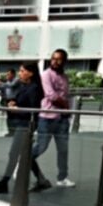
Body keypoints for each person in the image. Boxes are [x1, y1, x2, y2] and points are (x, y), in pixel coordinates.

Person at [0, 63, 44, 195]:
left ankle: (5, 181)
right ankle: (41, 179)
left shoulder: (34, 89)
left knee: (14, 153)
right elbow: (22, 102)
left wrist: (17, 110)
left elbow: (34, 111)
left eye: (22, 71)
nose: (20, 73)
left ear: (30, 73)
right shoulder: (25, 87)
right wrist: (14, 103)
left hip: (26, 125)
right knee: (25, 154)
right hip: (22, 124)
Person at [30, 49, 74, 191]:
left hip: (62, 119)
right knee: (41, 146)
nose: (54, 61)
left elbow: (65, 95)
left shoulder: (65, 77)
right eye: (53, 58)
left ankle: (62, 178)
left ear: (64, 61)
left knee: (63, 149)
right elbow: (51, 95)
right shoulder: (46, 75)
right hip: (47, 117)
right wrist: (66, 106)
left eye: (58, 59)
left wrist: (66, 111)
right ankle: (24, 162)